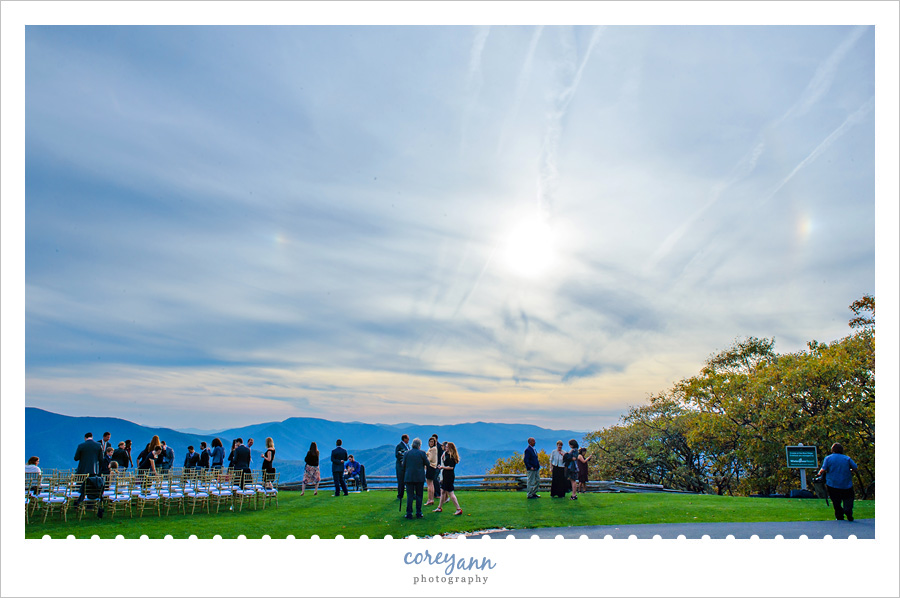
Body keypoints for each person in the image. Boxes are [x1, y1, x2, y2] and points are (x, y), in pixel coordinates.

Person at [818, 442, 859, 521]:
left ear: (832, 450)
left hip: (832, 484)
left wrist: (819, 473)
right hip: (846, 483)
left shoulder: (828, 458)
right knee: (848, 498)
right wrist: (850, 470)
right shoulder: (847, 458)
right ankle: (848, 511)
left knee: (836, 501)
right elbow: (855, 467)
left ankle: (839, 515)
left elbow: (824, 469)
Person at [402, 438, 429, 519]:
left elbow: (403, 465)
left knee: (410, 496)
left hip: (409, 477)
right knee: (419, 495)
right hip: (419, 477)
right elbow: (427, 463)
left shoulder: (407, 453)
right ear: (419, 445)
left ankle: (409, 513)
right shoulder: (422, 453)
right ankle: (418, 512)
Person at [434, 442, 462, 515]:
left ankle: (458, 509)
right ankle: (439, 507)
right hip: (446, 475)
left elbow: (451, 467)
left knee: (450, 493)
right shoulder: (446, 455)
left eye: (447, 447)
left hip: (449, 476)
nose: (445, 448)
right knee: (442, 491)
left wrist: (442, 467)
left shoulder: (452, 457)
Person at [395, 434, 410, 500]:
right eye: (407, 439)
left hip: (407, 466)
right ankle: (400, 495)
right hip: (400, 467)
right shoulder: (399, 446)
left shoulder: (408, 446)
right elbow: (397, 455)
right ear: (404, 439)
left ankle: (411, 494)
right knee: (401, 481)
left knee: (408, 480)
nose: (408, 440)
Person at [425, 437, 438, 506]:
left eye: (432, 442)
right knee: (431, 484)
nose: (430, 443)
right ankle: (431, 499)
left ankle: (430, 499)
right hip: (432, 467)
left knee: (429, 484)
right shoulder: (431, 449)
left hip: (431, 467)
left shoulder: (433, 449)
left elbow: (430, 459)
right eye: (430, 442)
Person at [431, 433, 443, 502]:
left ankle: (438, 493)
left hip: (437, 465)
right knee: (433, 479)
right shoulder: (432, 447)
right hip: (433, 465)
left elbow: (440, 457)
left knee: (435, 479)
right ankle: (435, 493)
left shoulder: (439, 446)